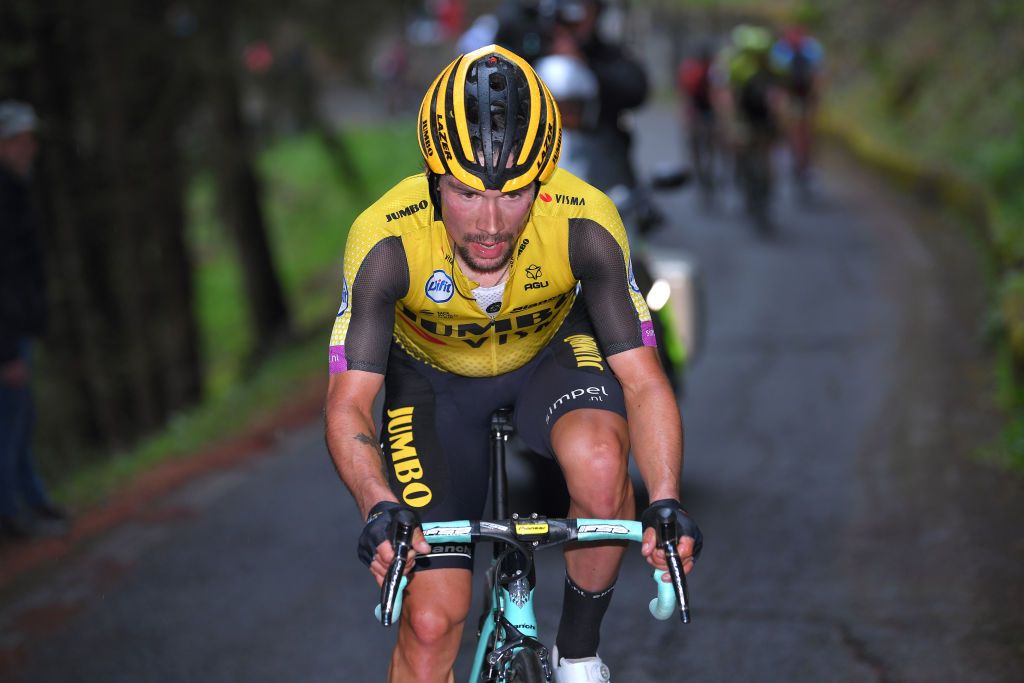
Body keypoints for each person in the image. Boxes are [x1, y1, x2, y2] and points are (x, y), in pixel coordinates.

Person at [324, 45, 701, 683]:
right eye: (468, 193)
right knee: (430, 624)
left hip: (547, 358)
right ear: (432, 176)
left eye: (515, 191)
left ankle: (578, 653)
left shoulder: (585, 224)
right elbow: (349, 402)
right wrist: (376, 503)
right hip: (432, 387)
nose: (491, 223)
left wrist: (664, 500)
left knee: (605, 465)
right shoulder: (387, 242)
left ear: (543, 178)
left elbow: (642, 378)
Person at [0, 101, 67, 541]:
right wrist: (5, 350)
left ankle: (33, 503)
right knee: (10, 422)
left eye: (30, 138)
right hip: (6, 334)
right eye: (18, 139)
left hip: (18, 327)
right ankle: (12, 514)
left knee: (21, 419)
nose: (29, 147)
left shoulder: (15, 189)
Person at [771, 25, 824, 189]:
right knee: (796, 128)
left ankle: (803, 160)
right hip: (793, 95)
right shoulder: (782, 49)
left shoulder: (810, 49)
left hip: (805, 95)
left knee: (804, 129)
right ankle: (799, 158)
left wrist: (815, 96)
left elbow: (819, 75)